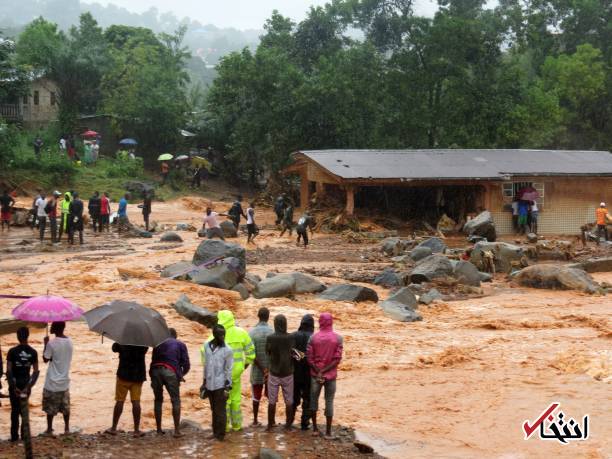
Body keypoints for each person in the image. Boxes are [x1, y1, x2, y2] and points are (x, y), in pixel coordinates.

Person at [202, 310, 255, 432]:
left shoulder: (214, 336)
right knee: (236, 399)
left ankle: (225, 427)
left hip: (221, 376)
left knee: (223, 401)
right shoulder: (242, 333)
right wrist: (244, 366)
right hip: (236, 373)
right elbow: (251, 352)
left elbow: (204, 354)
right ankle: (237, 426)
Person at [307, 313, 343, 439]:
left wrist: (319, 371)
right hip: (331, 375)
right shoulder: (338, 338)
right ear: (331, 322)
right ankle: (328, 432)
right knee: (329, 401)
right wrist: (325, 371)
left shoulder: (313, 338)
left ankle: (315, 429)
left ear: (320, 322)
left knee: (313, 400)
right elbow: (337, 359)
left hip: (315, 375)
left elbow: (309, 358)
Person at [150, 328, 190, 438]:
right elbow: (186, 364)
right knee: (175, 400)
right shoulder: (180, 344)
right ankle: (177, 431)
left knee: (158, 400)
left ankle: (158, 430)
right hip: (170, 371)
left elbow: (153, 360)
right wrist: (180, 375)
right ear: (175, 336)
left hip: (155, 370)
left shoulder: (157, 343)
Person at [106, 343, 148, 437]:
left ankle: (113, 428)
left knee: (119, 401)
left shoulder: (123, 340)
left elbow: (114, 348)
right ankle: (136, 430)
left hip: (123, 374)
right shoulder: (144, 342)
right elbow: (144, 351)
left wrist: (119, 342)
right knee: (136, 401)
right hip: (138, 375)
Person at [6, 327, 39, 442]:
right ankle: (25, 436)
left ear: (17, 336)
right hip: (26, 384)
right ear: (28, 336)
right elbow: (35, 372)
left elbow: (9, 371)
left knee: (14, 410)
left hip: (14, 384)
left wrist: (13, 387)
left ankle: (14, 437)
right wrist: (27, 388)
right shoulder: (33, 352)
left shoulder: (12, 351)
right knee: (24, 411)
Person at [202, 324, 233, 441]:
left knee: (221, 411)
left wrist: (227, 387)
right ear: (214, 335)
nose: (223, 337)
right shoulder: (206, 346)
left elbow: (228, 370)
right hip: (210, 384)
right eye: (220, 335)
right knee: (213, 410)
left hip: (221, 385)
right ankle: (215, 433)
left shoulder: (228, 350)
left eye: (224, 334)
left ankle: (220, 435)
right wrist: (204, 382)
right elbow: (205, 365)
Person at [42, 321, 73, 436]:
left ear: (55, 328)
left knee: (50, 408)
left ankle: (50, 429)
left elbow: (46, 359)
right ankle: (66, 429)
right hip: (64, 380)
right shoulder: (70, 342)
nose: (50, 327)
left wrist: (45, 344)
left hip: (52, 381)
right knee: (65, 407)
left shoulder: (52, 343)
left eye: (52, 326)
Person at [265, 314, 295, 431]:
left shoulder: (270, 338)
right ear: (285, 324)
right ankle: (288, 425)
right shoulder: (291, 337)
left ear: (275, 324)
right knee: (289, 401)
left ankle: (270, 424)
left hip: (274, 372)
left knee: (272, 400)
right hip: (288, 372)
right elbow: (294, 353)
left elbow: (268, 352)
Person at [249, 307, 273, 426]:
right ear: (268, 317)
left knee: (256, 396)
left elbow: (251, 354)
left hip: (257, 370)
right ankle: (271, 422)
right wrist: (267, 368)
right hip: (271, 370)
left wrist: (262, 368)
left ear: (258, 316)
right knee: (271, 397)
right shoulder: (273, 332)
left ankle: (255, 420)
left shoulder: (252, 332)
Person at [290, 314, 314, 430]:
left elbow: (289, 353)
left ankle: (289, 421)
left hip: (295, 373)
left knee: (293, 398)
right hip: (309, 374)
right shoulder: (314, 337)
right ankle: (305, 423)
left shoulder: (293, 336)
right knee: (307, 398)